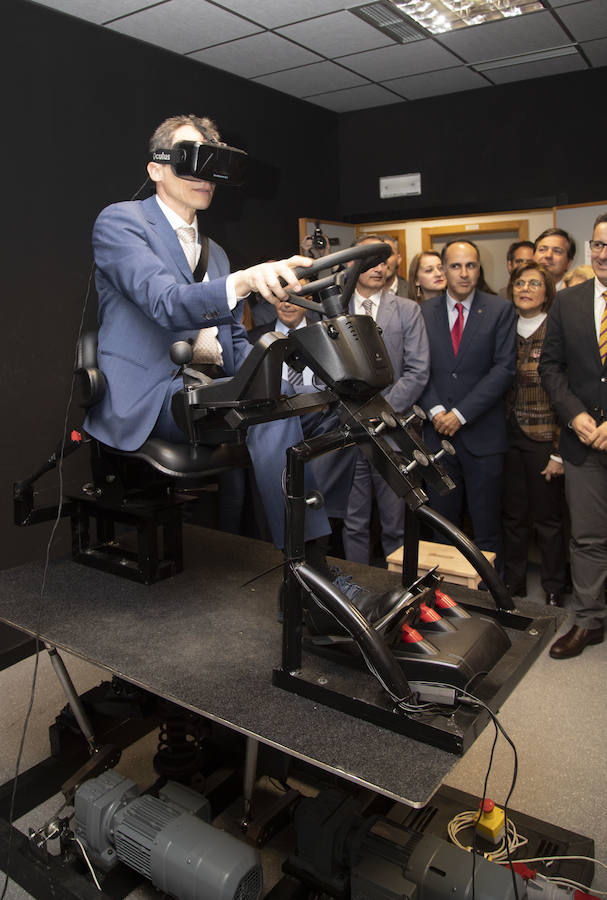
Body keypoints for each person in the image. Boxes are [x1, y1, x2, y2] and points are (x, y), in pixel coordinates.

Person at [84, 113, 402, 609]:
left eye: (213, 162)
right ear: (155, 169)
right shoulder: (122, 222)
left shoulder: (217, 254)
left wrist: (294, 367)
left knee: (329, 401)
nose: (203, 173)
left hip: (207, 393)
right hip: (153, 396)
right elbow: (164, 302)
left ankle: (329, 546)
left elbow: (235, 344)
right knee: (268, 415)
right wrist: (250, 280)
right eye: (191, 158)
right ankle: (310, 579)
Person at [418, 240, 517, 573]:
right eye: (456, 266)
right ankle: (441, 600)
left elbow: (503, 369)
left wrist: (459, 415)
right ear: (444, 270)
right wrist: (435, 412)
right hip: (436, 439)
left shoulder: (500, 309)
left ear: (479, 269)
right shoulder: (422, 311)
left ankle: (492, 598)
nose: (464, 273)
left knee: (486, 527)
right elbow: (419, 368)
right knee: (441, 528)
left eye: (471, 265)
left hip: (483, 438)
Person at [539, 212, 607, 659]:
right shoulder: (569, 301)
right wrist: (574, 414)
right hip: (582, 442)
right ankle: (588, 620)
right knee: (586, 537)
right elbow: (550, 366)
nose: (603, 254)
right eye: (599, 245)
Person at [342, 236, 430, 564]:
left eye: (384, 260)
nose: (379, 267)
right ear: (352, 262)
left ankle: (398, 598)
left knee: (395, 522)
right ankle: (356, 597)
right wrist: (357, 415)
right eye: (371, 260)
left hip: (393, 433)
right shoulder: (335, 309)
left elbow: (418, 371)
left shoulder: (407, 310)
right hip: (350, 433)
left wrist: (382, 413)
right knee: (354, 522)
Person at [502, 262, 566, 606]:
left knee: (548, 518)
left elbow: (566, 393)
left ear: (547, 292)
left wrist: (560, 451)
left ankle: (555, 585)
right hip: (507, 434)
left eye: (534, 283)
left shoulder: (557, 328)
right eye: (520, 282)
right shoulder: (504, 326)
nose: (525, 288)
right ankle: (514, 580)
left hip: (544, 437)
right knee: (513, 514)